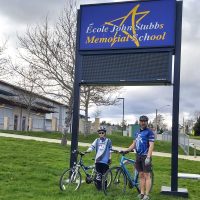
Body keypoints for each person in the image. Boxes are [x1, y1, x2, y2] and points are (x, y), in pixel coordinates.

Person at [123, 115, 154, 200]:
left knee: (147, 175)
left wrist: (148, 157)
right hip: (138, 156)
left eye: (144, 121)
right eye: (141, 121)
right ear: (139, 122)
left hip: (145, 156)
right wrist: (127, 150)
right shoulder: (137, 132)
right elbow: (134, 144)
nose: (143, 122)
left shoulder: (149, 132)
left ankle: (147, 195)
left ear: (147, 122)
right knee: (140, 175)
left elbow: (151, 145)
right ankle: (142, 193)